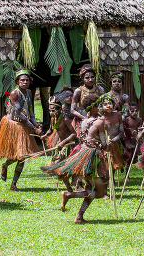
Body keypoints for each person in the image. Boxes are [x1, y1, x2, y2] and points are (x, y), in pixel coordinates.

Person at [41, 94, 109, 223]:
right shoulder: (100, 122)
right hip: (92, 158)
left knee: (90, 188)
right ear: (93, 107)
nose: (101, 107)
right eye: (99, 105)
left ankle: (79, 216)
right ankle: (69, 194)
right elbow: (104, 144)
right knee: (100, 192)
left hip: (82, 154)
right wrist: (108, 147)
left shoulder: (83, 121)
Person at [0, 69, 43, 191]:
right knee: (18, 155)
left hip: (24, 125)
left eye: (27, 80)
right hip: (13, 125)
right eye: (22, 80)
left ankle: (13, 184)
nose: (25, 82)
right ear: (17, 81)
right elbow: (19, 113)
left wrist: (36, 124)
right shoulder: (14, 93)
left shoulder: (29, 92)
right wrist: (33, 128)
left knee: (23, 156)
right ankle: (6, 165)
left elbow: (30, 111)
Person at [70, 65, 105, 131]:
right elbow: (72, 110)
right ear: (82, 78)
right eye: (87, 78)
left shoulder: (100, 89)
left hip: (98, 118)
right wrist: (84, 118)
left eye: (92, 77)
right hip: (83, 119)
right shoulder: (79, 91)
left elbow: (104, 104)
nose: (90, 80)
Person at [122, 102, 142, 166]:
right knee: (129, 155)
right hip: (128, 140)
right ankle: (126, 167)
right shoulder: (127, 119)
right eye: (132, 111)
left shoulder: (139, 120)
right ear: (129, 111)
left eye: (136, 111)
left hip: (136, 139)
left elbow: (140, 129)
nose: (135, 113)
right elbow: (125, 128)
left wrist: (139, 132)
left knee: (135, 155)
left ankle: (129, 164)